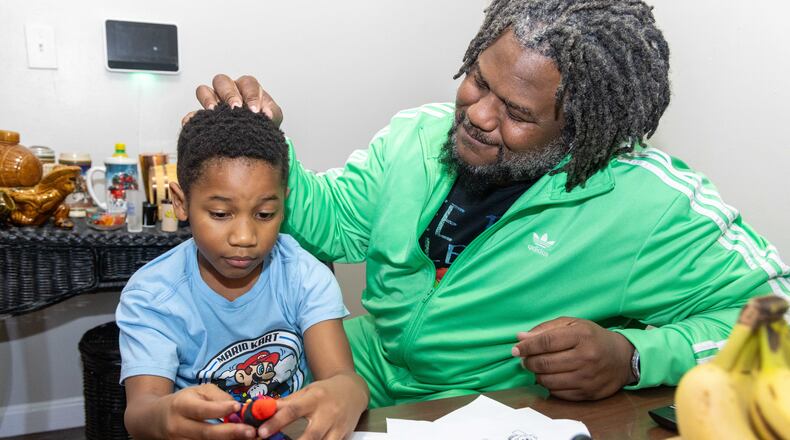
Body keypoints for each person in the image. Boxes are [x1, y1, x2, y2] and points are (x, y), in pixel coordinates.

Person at [193, 0, 790, 411]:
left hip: (484, 410)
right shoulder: (416, 136)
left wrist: (634, 356)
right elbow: (335, 221)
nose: (478, 114)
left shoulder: (649, 204)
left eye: (518, 113)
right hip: (361, 372)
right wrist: (267, 151)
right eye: (479, 81)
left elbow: (778, 322)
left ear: (583, 131)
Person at [116, 104, 369, 439]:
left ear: (284, 202)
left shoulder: (304, 275)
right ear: (181, 202)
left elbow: (342, 377)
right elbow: (140, 412)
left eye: (265, 214)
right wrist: (164, 415)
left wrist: (349, 392)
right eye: (221, 213)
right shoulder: (152, 296)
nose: (245, 238)